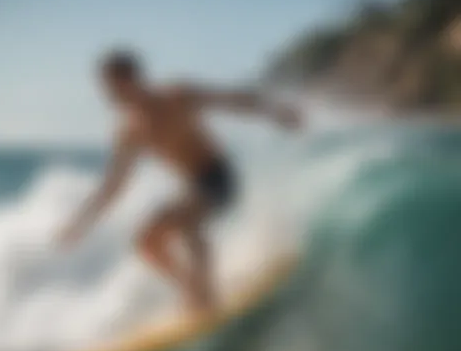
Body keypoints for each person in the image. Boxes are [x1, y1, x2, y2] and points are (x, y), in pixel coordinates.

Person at [56, 50, 303, 314]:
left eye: (112, 86)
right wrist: (80, 223)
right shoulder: (130, 132)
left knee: (187, 219)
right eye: (105, 88)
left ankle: (207, 296)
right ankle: (190, 287)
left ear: (131, 79)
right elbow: (113, 186)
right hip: (192, 188)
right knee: (147, 242)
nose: (108, 95)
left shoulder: (177, 97)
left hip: (218, 176)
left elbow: (231, 100)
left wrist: (276, 111)